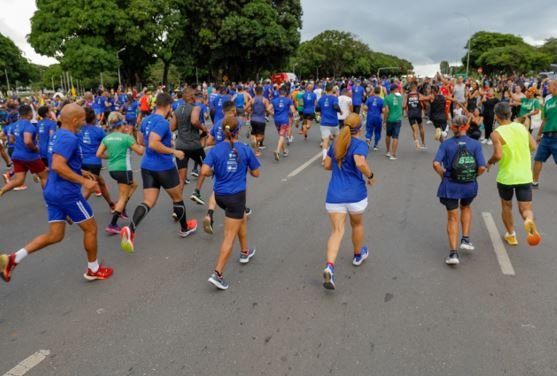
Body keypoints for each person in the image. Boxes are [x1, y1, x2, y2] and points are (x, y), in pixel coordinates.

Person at [0, 104, 114, 283]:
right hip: (66, 193)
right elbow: (58, 165)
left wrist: (80, 171)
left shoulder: (59, 135)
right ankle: (93, 269)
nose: (84, 123)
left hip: (52, 191)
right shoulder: (70, 138)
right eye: (82, 119)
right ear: (75, 120)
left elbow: (58, 160)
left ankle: (14, 258)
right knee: (91, 228)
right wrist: (84, 182)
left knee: (55, 235)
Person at [119, 93, 198, 253]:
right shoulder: (162, 122)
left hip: (147, 166)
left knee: (148, 201)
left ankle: (131, 229)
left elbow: (141, 141)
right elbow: (154, 143)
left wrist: (164, 142)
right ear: (168, 106)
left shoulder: (146, 120)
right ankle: (184, 228)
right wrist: (173, 151)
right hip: (163, 166)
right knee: (177, 197)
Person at [202, 115, 261, 290]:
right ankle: (217, 274)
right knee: (229, 235)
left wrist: (215, 172)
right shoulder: (244, 149)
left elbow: (205, 170)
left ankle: (244, 252)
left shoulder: (215, 149)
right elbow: (256, 173)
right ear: (237, 131)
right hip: (236, 196)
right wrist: (246, 168)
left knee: (240, 218)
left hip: (220, 196)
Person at [322, 113, 374, 290]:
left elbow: (326, 165)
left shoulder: (337, 143)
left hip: (335, 194)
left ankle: (330, 266)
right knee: (357, 225)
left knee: (337, 231)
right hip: (355, 195)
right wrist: (371, 175)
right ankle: (358, 255)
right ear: (360, 128)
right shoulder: (360, 144)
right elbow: (360, 162)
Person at [433, 115, 487, 265]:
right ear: (467, 127)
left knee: (452, 217)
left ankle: (453, 254)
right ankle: (466, 239)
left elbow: (436, 164)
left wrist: (443, 175)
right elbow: (482, 167)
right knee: (466, 207)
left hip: (450, 185)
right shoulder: (475, 144)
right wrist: (473, 176)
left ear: (453, 127)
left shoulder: (446, 144)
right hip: (469, 185)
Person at [487, 102, 541, 247]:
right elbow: (534, 146)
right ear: (510, 114)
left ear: (496, 116)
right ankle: (529, 222)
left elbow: (498, 155)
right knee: (526, 209)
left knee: (506, 205)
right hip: (524, 176)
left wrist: (489, 163)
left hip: (507, 177)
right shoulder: (521, 127)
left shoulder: (496, 134)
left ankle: (511, 235)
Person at [96, 112, 144, 234]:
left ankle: (121, 208)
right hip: (124, 169)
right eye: (124, 123)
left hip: (112, 169)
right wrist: (140, 143)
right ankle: (113, 223)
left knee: (134, 185)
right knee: (122, 197)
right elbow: (140, 152)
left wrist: (111, 157)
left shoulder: (107, 138)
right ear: (120, 124)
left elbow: (98, 154)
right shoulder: (126, 137)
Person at [0, 105, 48, 197]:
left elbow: (11, 140)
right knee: (44, 176)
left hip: (17, 155)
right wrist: (35, 148)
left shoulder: (14, 125)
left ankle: (1, 191)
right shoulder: (29, 126)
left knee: (19, 180)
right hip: (30, 156)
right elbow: (27, 141)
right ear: (30, 114)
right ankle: (49, 200)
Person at [173, 89, 207, 205]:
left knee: (181, 178)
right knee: (206, 166)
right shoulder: (195, 108)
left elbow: (172, 127)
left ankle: (177, 206)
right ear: (193, 98)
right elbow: (194, 120)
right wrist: (202, 128)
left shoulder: (177, 110)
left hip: (180, 145)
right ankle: (196, 191)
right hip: (193, 145)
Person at [78, 107, 114, 208]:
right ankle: (75, 209)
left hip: (81, 163)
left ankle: (111, 204)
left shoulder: (79, 130)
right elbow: (108, 144)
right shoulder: (99, 131)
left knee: (101, 182)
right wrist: (110, 156)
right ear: (94, 117)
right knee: (89, 188)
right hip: (94, 163)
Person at [533, 80, 557, 189]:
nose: (547, 87)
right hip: (546, 137)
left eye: (550, 85)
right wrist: (539, 134)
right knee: (538, 159)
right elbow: (545, 120)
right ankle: (534, 182)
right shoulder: (548, 102)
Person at [316, 83, 342, 162]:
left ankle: (324, 157)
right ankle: (337, 155)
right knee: (337, 139)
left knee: (325, 140)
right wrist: (340, 111)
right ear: (332, 89)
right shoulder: (334, 98)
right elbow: (335, 106)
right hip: (333, 122)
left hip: (324, 122)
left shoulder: (321, 99)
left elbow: (317, 108)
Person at [271, 87, 295, 161]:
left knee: (281, 135)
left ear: (279, 93)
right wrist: (289, 113)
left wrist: (273, 114)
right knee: (282, 136)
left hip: (276, 120)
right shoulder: (288, 100)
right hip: (284, 120)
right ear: (285, 93)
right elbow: (293, 110)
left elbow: (268, 108)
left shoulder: (274, 100)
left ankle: (284, 151)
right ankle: (277, 151)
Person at [249, 86, 272, 157]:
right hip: (261, 120)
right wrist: (271, 114)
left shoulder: (252, 100)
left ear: (255, 92)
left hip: (253, 119)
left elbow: (246, 108)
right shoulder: (265, 100)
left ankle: (257, 151)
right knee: (261, 137)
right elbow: (268, 109)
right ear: (262, 92)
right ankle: (255, 140)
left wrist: (250, 111)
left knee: (254, 134)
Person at [383, 83, 404, 160]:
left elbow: (386, 110)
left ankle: (388, 151)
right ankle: (393, 154)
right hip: (398, 119)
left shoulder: (387, 98)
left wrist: (384, 121)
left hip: (390, 119)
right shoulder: (400, 97)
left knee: (388, 135)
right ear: (395, 90)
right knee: (395, 137)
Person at [405, 82, 426, 150]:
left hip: (411, 113)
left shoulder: (407, 95)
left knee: (414, 129)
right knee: (421, 127)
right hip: (418, 113)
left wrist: (406, 112)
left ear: (411, 88)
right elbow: (423, 104)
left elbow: (405, 106)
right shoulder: (419, 94)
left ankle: (416, 141)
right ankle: (423, 143)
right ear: (415, 87)